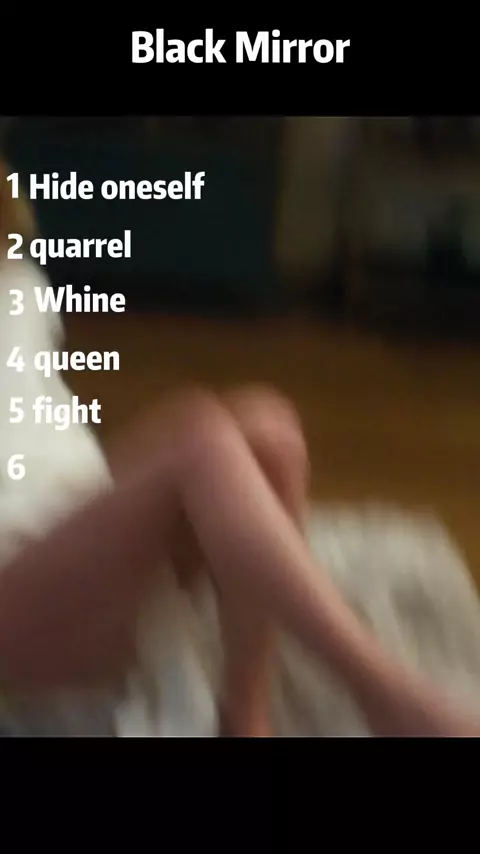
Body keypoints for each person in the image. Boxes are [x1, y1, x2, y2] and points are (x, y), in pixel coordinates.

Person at [1, 160, 480, 737]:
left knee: (267, 427)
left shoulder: (17, 276)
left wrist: (109, 509)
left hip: (63, 520)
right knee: (199, 438)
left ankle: (245, 715)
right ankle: (385, 693)